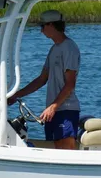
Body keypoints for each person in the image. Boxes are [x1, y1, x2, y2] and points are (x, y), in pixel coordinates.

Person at [7, 10, 80, 149]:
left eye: (42, 26)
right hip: (54, 110)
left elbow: (70, 84)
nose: (41, 30)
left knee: (66, 153)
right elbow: (41, 79)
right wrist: (16, 95)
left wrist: (53, 107)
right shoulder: (54, 49)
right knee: (56, 151)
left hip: (66, 110)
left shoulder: (69, 48)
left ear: (51, 25)